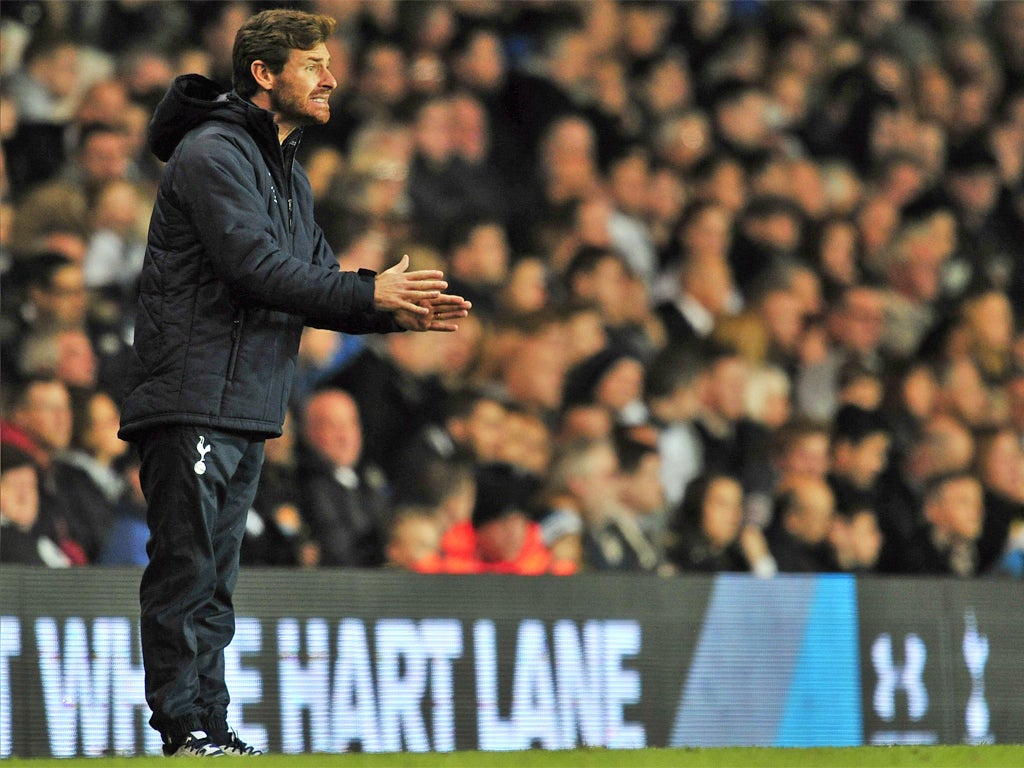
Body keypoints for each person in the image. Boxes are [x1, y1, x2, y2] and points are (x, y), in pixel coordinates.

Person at [115, 9, 470, 759]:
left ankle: (209, 725)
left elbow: (316, 280)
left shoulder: (286, 175)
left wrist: (390, 313)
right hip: (192, 395)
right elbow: (257, 270)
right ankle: (183, 730)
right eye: (313, 65)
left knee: (214, 582)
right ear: (264, 75)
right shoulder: (213, 154)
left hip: (244, 403)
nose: (332, 78)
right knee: (187, 570)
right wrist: (370, 295)